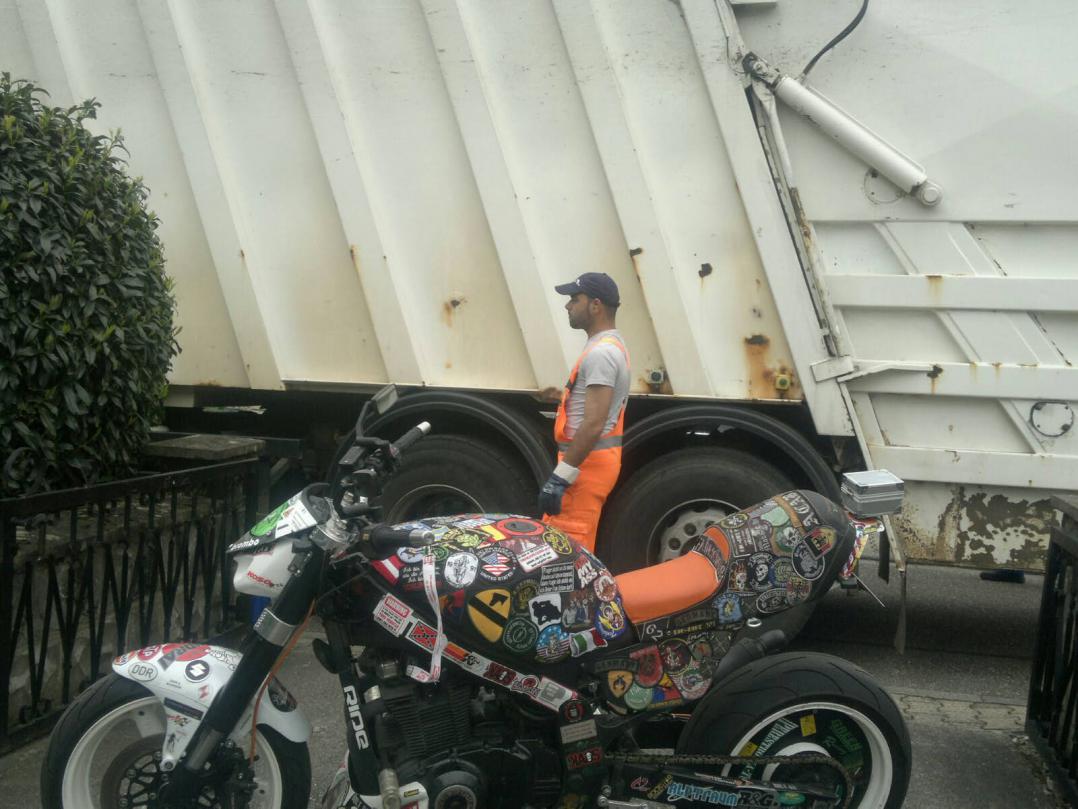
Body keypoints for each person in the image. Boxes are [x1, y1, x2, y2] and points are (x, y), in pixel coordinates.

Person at [538, 273, 630, 552]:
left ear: (595, 305)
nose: (568, 306)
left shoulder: (602, 353)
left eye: (574, 299)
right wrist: (562, 398)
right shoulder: (607, 346)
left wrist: (560, 478)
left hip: (585, 468)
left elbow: (593, 423)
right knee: (565, 545)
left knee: (565, 552)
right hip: (587, 464)